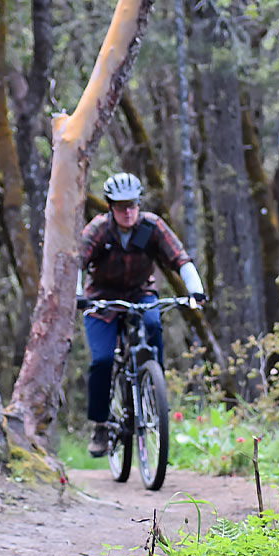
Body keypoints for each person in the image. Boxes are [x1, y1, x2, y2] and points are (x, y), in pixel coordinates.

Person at [77, 172, 206, 456]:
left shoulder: (152, 226)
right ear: (110, 206)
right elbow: (78, 262)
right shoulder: (99, 229)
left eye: (133, 204)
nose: (128, 211)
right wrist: (79, 296)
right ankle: (100, 423)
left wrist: (195, 290)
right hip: (101, 300)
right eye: (121, 205)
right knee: (103, 359)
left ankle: (152, 385)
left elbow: (180, 258)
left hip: (140, 293)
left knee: (153, 324)